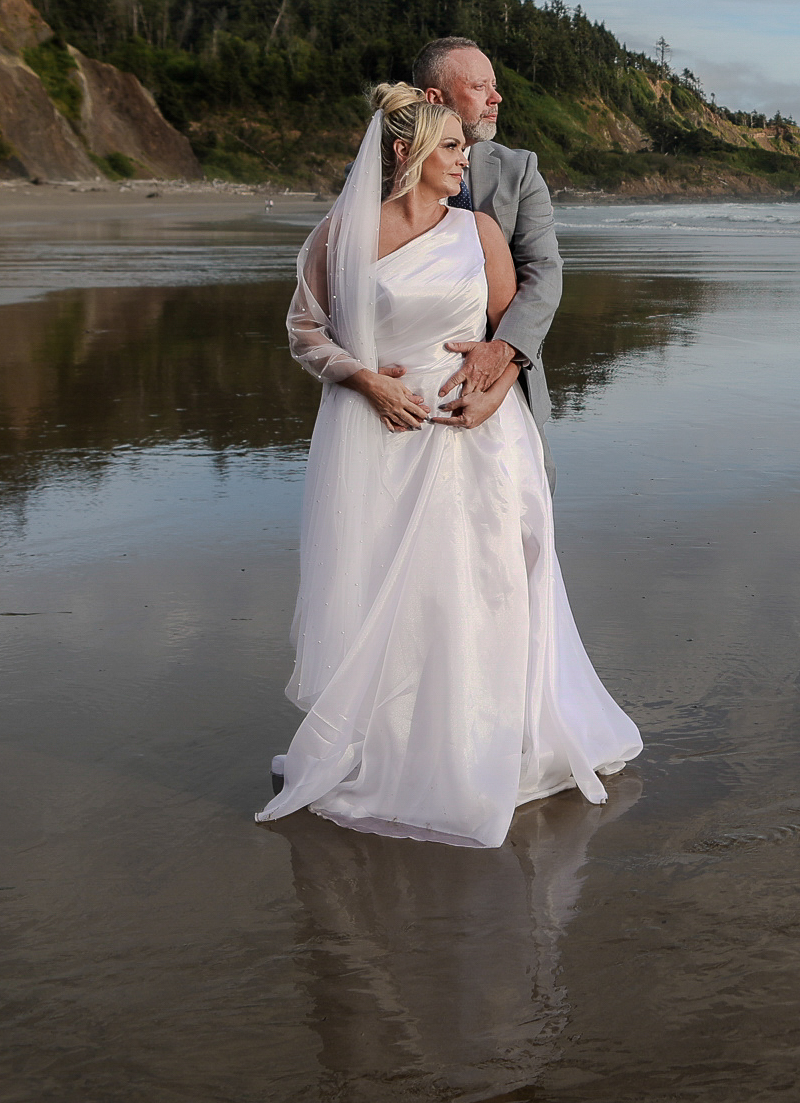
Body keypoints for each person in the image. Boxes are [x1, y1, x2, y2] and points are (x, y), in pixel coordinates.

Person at [257, 83, 640, 847]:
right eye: (454, 148)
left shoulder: (478, 234)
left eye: (465, 147)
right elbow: (305, 330)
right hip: (381, 437)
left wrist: (494, 393)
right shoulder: (343, 234)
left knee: (492, 581)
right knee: (402, 593)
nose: (468, 159)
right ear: (406, 154)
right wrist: (363, 378)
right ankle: (397, 744)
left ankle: (493, 737)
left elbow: (505, 339)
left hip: (478, 438)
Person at [410, 38, 561, 463]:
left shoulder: (519, 170)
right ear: (434, 98)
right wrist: (366, 372)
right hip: (408, 393)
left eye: (494, 86)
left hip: (510, 381)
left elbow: (544, 274)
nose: (496, 98)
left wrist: (503, 359)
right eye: (480, 88)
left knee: (516, 515)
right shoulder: (374, 175)